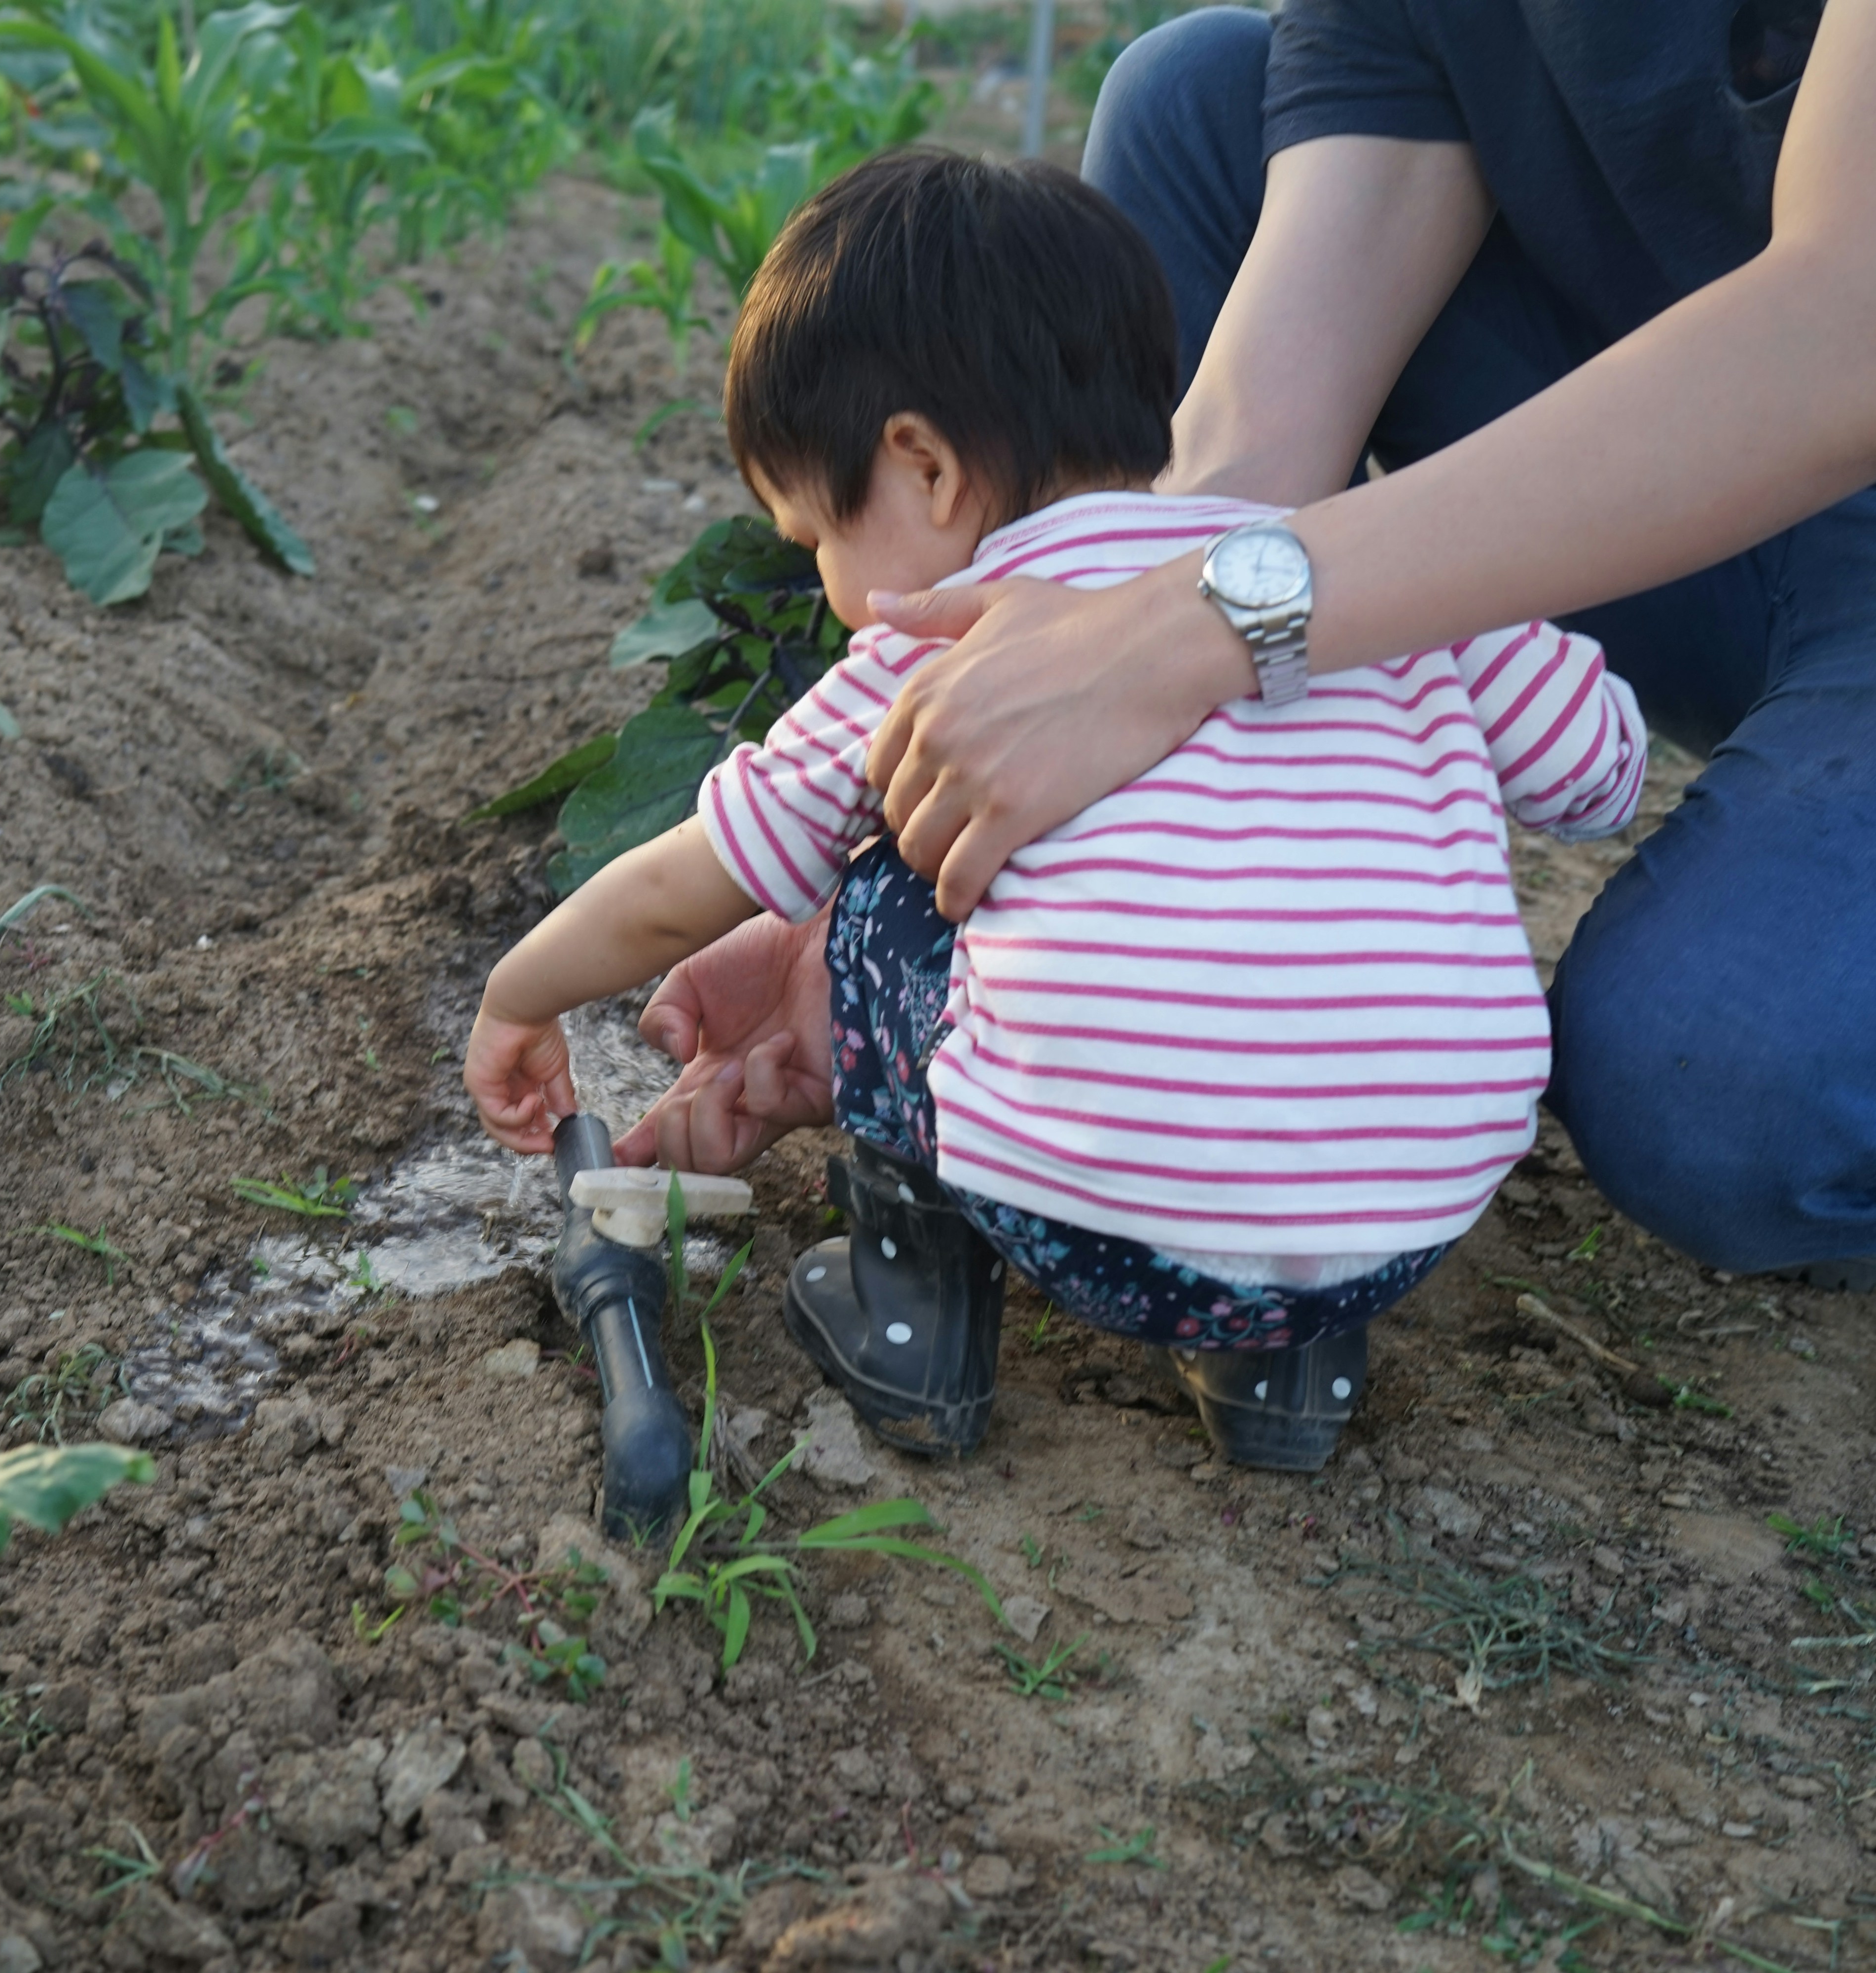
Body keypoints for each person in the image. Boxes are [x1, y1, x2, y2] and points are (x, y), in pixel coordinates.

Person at [614, 1, 1876, 1297]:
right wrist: (888, 891)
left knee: (1738, 1102)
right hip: (1633, 418)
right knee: (1198, 107)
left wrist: (1203, 621)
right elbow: (1249, 448)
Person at [469, 148, 1645, 1470]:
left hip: (1094, 1232)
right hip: (1409, 1225)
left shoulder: (945, 640)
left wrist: (524, 993)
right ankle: (1282, 1373)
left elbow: (687, 884)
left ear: (922, 469)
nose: (836, 590)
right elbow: (1598, 775)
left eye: (818, 541)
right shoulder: (1368, 581)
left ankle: (916, 1321)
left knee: (893, 863)